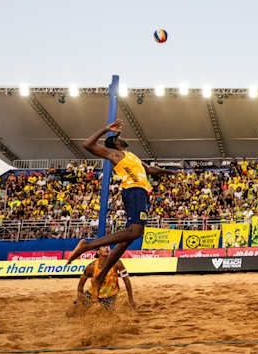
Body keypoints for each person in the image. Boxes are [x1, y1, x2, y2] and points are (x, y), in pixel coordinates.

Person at [65, 121, 178, 290]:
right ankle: (87, 246)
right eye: (119, 138)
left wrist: (169, 172)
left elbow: (150, 170)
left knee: (128, 238)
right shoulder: (114, 154)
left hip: (140, 193)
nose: (122, 139)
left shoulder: (132, 156)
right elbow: (87, 144)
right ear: (116, 144)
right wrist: (106, 129)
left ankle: (100, 277)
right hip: (134, 191)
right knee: (135, 232)